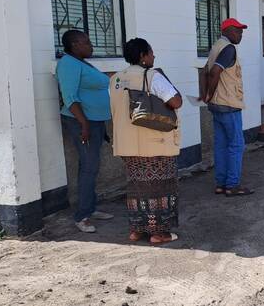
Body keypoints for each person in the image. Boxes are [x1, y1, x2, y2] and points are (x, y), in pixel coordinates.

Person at [110, 38, 182, 245]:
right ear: (143, 56)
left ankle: (137, 230)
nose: (154, 56)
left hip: (127, 144)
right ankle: (159, 233)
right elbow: (176, 101)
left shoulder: (115, 79)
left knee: (137, 189)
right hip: (155, 143)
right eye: (151, 52)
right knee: (160, 189)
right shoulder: (152, 76)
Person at [55, 30, 113, 233]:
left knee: (91, 166)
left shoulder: (80, 62)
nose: (91, 46)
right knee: (89, 167)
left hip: (94, 121)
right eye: (87, 42)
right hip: (81, 122)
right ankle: (82, 216)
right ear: (75, 44)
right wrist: (84, 124)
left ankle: (90, 208)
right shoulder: (68, 64)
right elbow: (70, 97)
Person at [201, 18, 254, 197]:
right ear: (228, 30)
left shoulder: (216, 47)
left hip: (216, 105)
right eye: (238, 31)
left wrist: (207, 95)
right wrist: (208, 94)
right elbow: (214, 72)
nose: (240, 34)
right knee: (236, 145)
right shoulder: (229, 48)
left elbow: (204, 71)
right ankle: (232, 185)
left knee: (221, 145)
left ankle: (220, 184)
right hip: (229, 104)